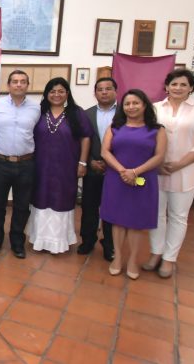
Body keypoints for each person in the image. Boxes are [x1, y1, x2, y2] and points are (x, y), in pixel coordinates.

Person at [144, 69, 194, 278]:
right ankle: (156, 253)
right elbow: (146, 138)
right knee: (156, 214)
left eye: (183, 84)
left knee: (178, 216)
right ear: (166, 87)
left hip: (186, 172)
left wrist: (178, 165)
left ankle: (169, 258)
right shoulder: (155, 109)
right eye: (174, 84)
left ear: (191, 87)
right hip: (157, 171)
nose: (178, 88)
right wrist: (156, 164)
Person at [100, 89, 167, 279]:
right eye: (127, 104)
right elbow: (105, 152)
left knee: (136, 223)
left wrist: (135, 172)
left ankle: (133, 260)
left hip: (143, 181)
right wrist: (123, 171)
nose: (131, 107)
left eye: (136, 103)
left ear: (145, 105)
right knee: (118, 221)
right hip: (117, 179)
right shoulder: (115, 127)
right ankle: (118, 258)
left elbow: (159, 156)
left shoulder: (157, 130)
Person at [27, 77, 92, 254]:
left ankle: (58, 241)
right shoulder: (39, 112)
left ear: (67, 94)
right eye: (53, 91)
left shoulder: (77, 113)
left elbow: (86, 137)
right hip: (41, 167)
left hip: (66, 167)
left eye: (61, 91)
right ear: (46, 94)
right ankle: (39, 239)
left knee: (62, 199)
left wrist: (83, 162)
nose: (56, 95)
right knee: (40, 198)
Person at [0, 70, 40, 258]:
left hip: (26, 163)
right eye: (15, 81)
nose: (18, 84)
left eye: (22, 81)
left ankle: (17, 242)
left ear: (27, 85)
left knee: (22, 206)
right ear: (8, 85)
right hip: (0, 162)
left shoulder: (36, 108)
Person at [79, 77, 118, 262]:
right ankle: (87, 241)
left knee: (112, 208)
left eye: (108, 88)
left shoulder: (125, 113)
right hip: (92, 168)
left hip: (116, 170)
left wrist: (113, 163)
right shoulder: (86, 114)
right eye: (100, 89)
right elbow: (79, 142)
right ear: (94, 93)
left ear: (115, 91)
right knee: (89, 207)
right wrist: (88, 162)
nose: (104, 92)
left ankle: (109, 245)